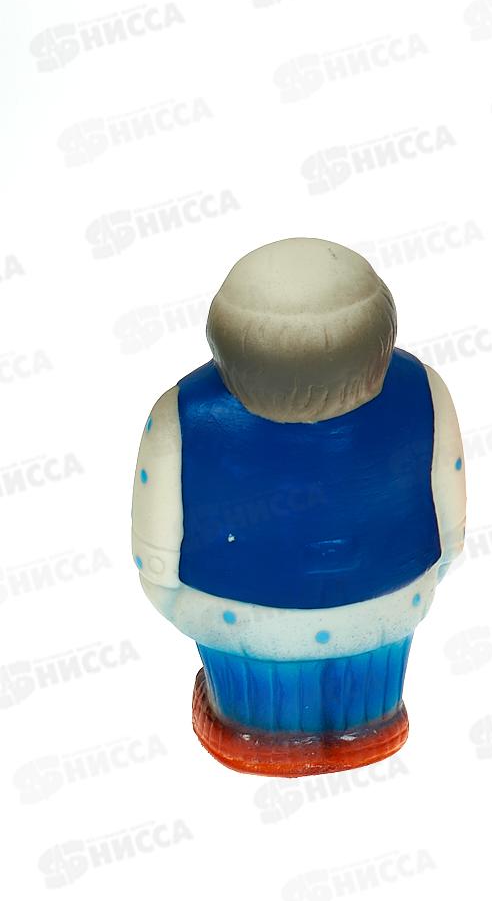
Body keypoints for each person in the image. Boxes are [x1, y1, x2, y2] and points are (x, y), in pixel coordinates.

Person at [132, 237, 465, 774]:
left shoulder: (180, 415)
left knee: (254, 689)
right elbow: (450, 517)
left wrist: (167, 597)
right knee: (371, 679)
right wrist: (434, 569)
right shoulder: (425, 390)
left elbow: (156, 545)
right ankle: (369, 727)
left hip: (233, 616)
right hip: (390, 603)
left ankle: (254, 734)